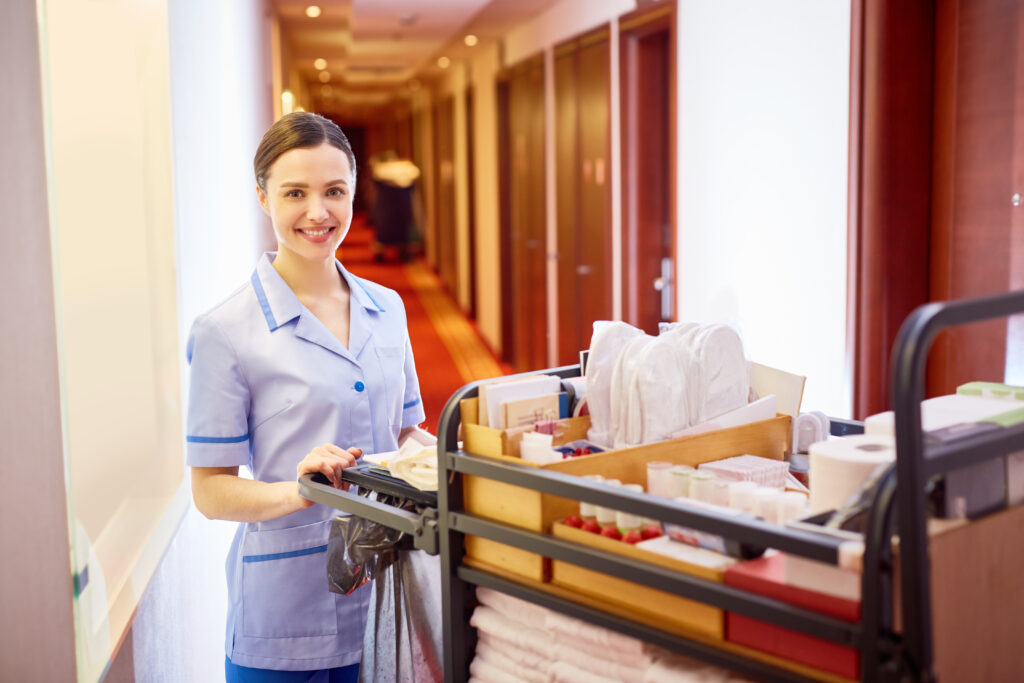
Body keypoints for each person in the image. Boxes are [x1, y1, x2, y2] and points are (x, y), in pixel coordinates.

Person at [187, 111, 426, 682]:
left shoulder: (387, 309)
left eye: (334, 191)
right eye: (296, 192)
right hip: (285, 619)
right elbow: (210, 491)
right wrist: (298, 492)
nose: (318, 213)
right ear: (263, 197)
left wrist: (453, 456)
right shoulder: (225, 331)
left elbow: (405, 434)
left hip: (388, 598)